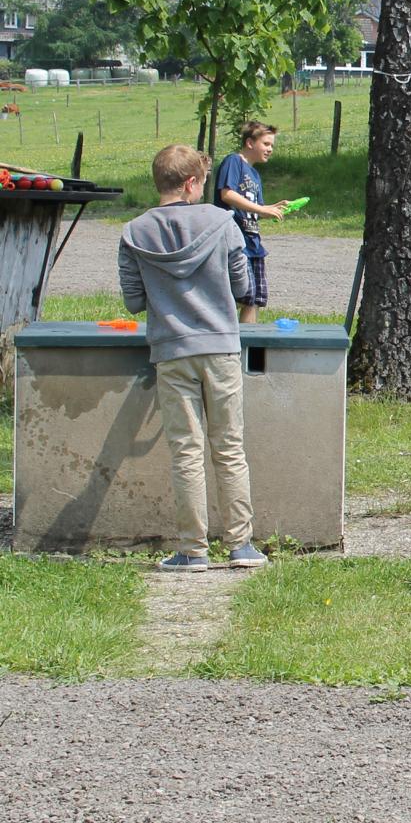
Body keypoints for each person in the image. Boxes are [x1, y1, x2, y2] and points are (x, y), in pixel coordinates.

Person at [118, 145, 266, 572]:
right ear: (190, 183)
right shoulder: (223, 222)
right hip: (220, 349)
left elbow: (133, 301)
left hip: (171, 351)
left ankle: (192, 550)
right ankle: (240, 546)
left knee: (186, 452)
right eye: (201, 182)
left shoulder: (133, 232)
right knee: (229, 448)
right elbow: (243, 287)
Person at [213, 120, 291, 324]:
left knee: (254, 299)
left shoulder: (255, 175)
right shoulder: (234, 162)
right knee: (241, 296)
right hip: (235, 242)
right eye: (266, 144)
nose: (270, 149)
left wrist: (272, 208)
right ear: (249, 143)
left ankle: (248, 341)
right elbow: (227, 194)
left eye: (272, 145)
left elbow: (256, 209)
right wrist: (262, 209)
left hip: (253, 244)